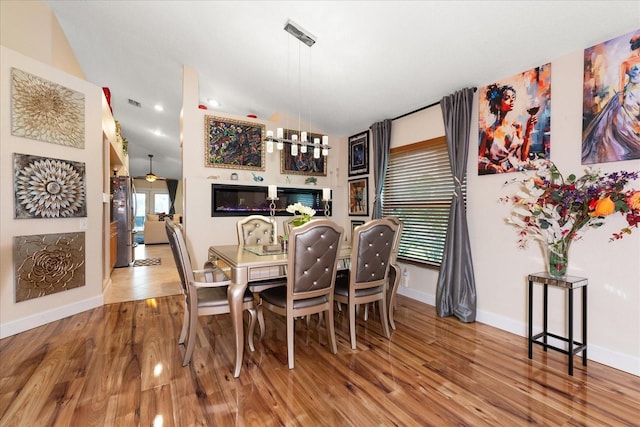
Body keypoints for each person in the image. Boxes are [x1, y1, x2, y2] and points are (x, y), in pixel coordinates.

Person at [582, 33, 640, 163]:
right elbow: (621, 81)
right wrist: (620, 96)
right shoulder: (625, 62)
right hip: (632, 93)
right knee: (622, 121)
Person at [478, 84, 537, 174]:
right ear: (497, 105)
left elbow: (523, 158)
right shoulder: (488, 132)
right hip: (499, 174)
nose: (512, 100)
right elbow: (478, 160)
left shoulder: (517, 127)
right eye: (507, 98)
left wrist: (528, 131)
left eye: (513, 97)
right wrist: (491, 166)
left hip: (517, 172)